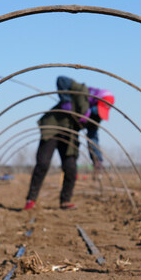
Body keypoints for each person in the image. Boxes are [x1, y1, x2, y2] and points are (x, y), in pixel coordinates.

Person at [24, 76, 114, 210]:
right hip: (53, 127)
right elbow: (61, 80)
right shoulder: (81, 91)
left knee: (71, 168)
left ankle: (65, 201)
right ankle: (31, 200)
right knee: (43, 163)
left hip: (70, 134)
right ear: (95, 100)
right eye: (98, 107)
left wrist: (97, 159)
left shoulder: (95, 117)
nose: (98, 111)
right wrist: (66, 101)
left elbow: (93, 138)